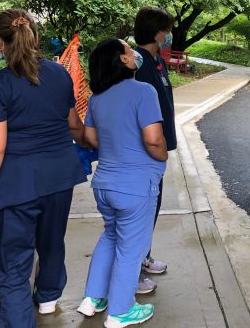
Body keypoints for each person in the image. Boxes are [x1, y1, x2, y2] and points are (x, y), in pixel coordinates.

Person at [0, 9, 88, 327]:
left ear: (0, 43)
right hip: (59, 178)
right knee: (51, 240)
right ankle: (48, 297)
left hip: (15, 187)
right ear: (33, 36)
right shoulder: (60, 74)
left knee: (13, 270)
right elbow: (74, 124)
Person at [77, 38, 168, 327]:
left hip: (105, 184)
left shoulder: (97, 98)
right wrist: (163, 153)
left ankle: (93, 299)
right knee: (131, 248)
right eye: (128, 51)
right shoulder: (144, 91)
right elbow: (153, 138)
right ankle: (120, 310)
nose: (134, 54)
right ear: (122, 61)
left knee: (110, 238)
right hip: (136, 185)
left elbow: (90, 138)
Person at [132, 7, 176, 293]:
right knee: (142, 209)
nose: (169, 34)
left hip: (157, 148)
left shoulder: (156, 60)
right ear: (156, 32)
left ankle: (144, 257)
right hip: (146, 151)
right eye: (166, 30)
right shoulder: (139, 64)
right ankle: (133, 272)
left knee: (153, 205)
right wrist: (157, 149)